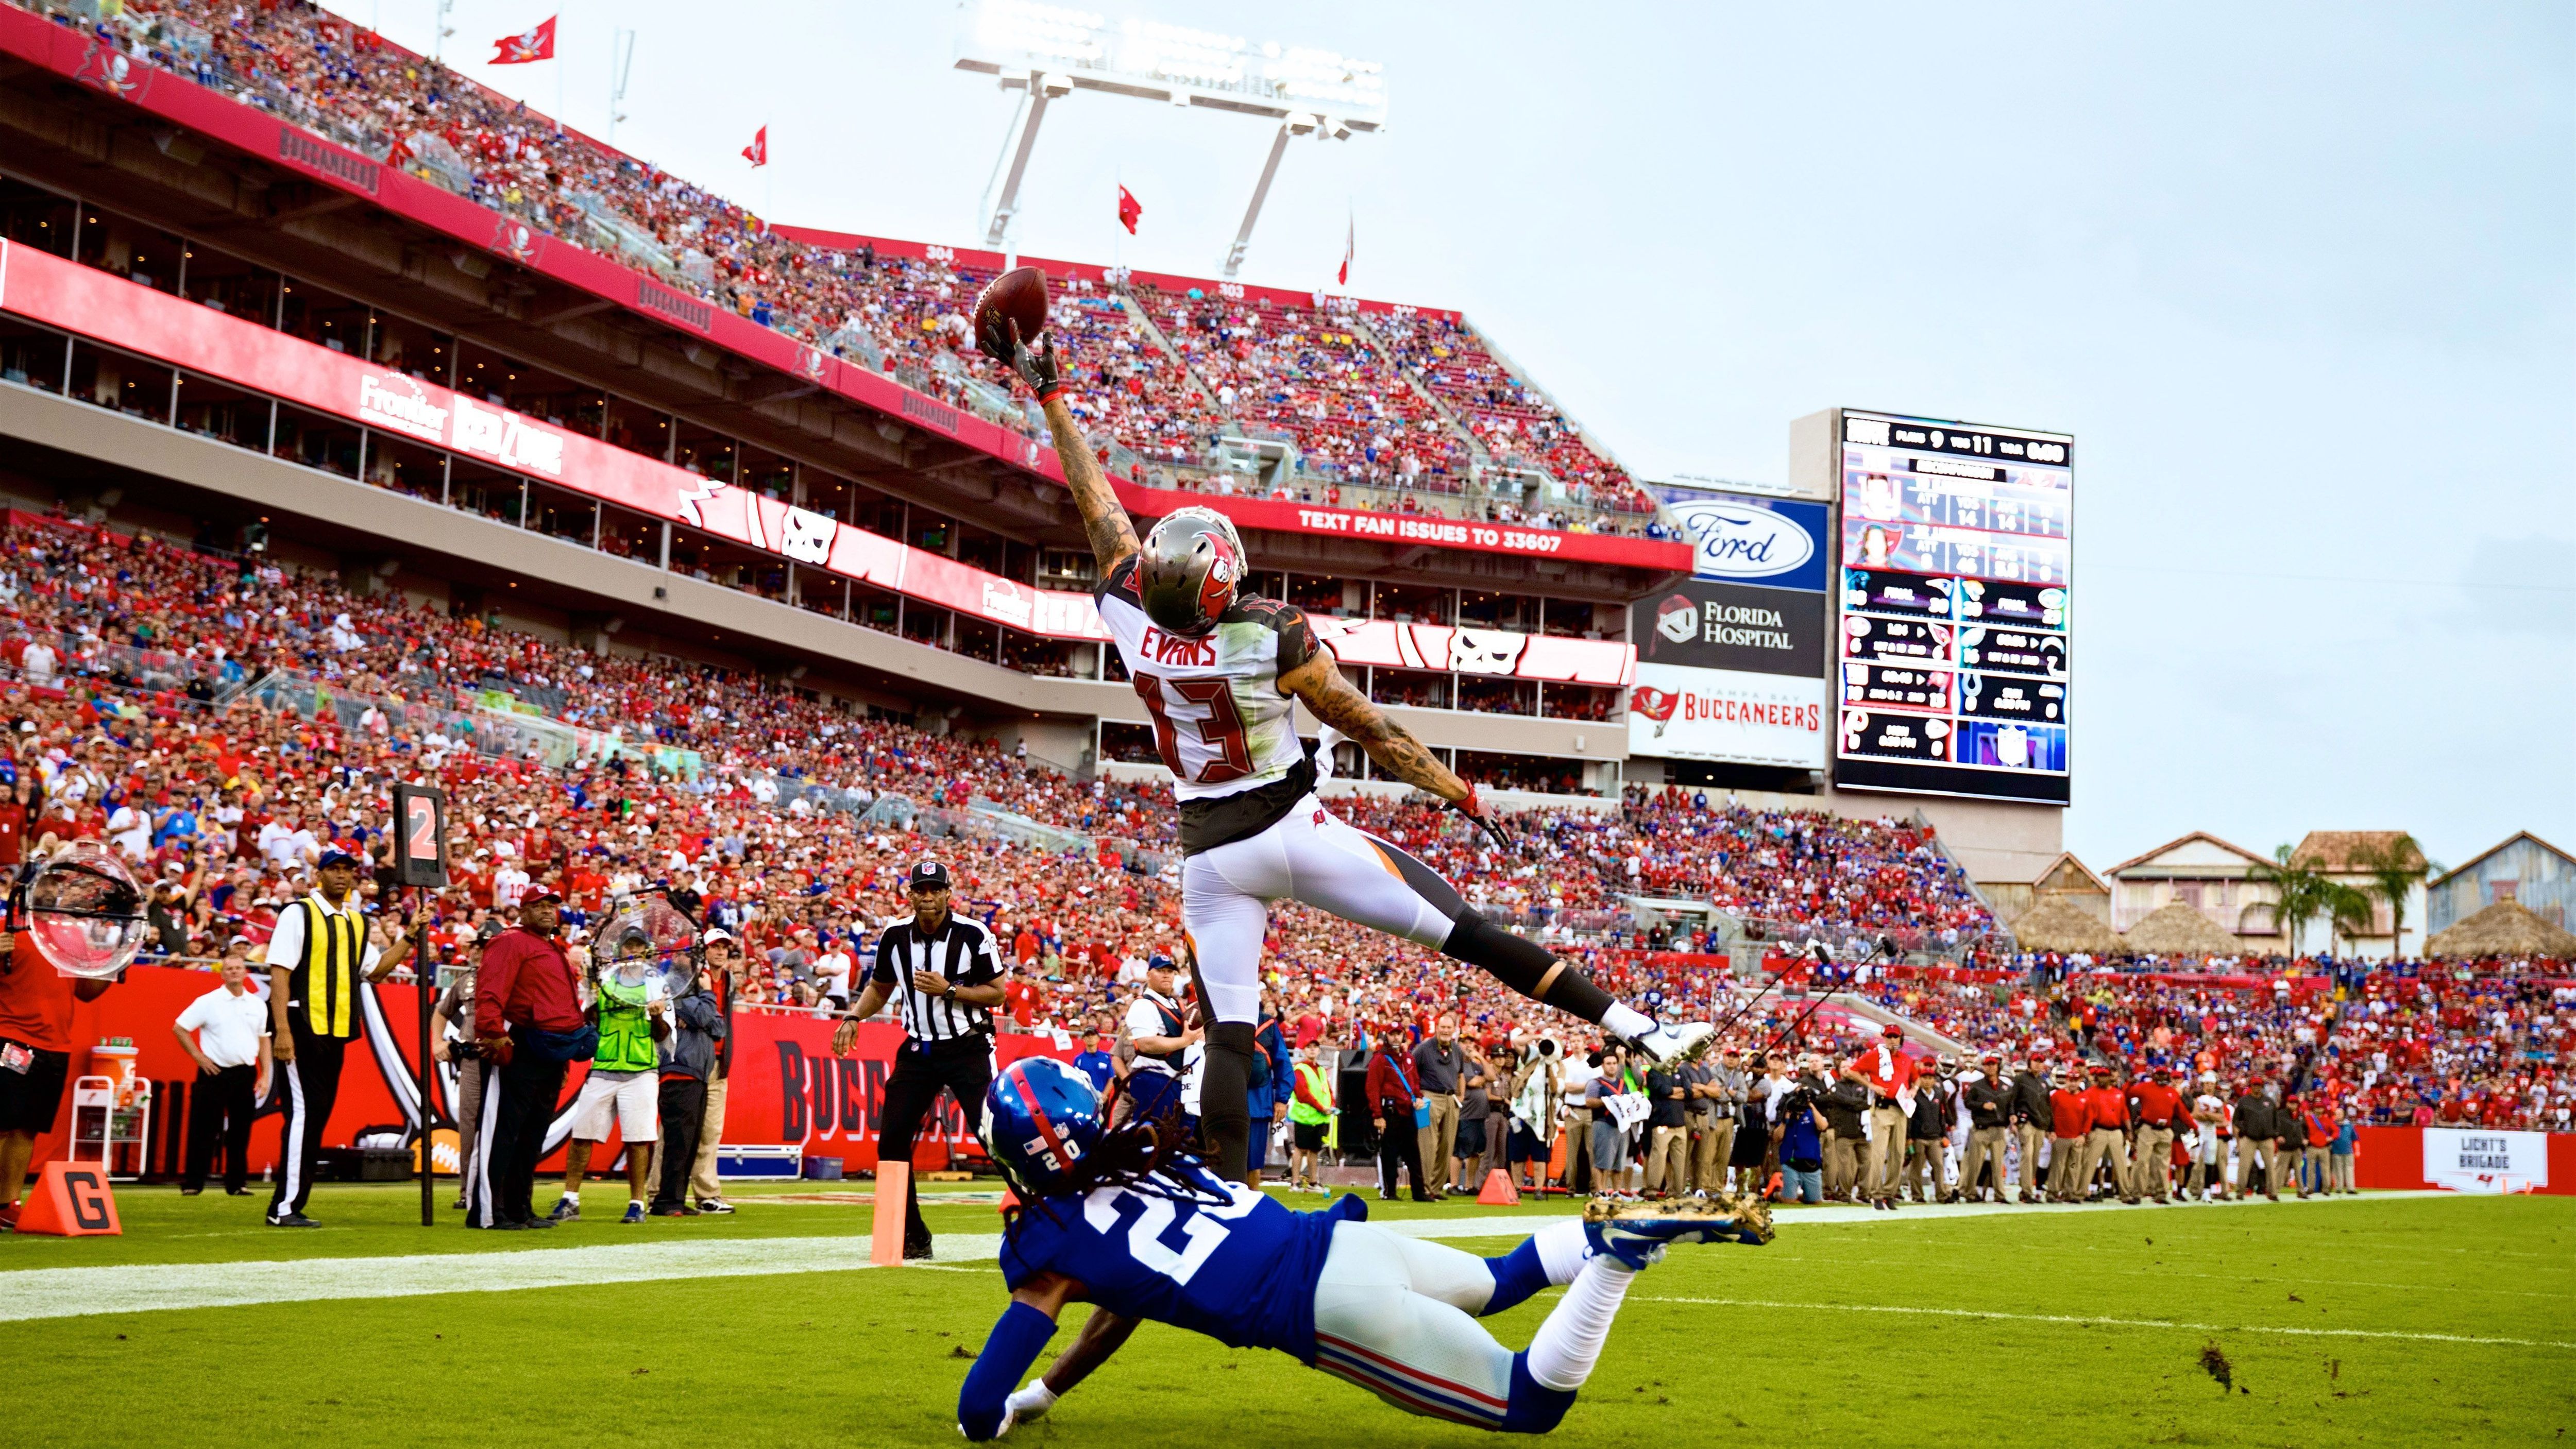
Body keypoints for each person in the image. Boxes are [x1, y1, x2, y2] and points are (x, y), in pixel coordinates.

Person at [986, 320, 1710, 1183]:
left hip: (1209, 856)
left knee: (1224, 1031)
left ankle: (1226, 1199)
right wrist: (1459, 791)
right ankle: (1641, 1027)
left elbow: (1097, 507)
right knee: (1469, 931)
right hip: (1295, 828)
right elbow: (1375, 730)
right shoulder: (1268, 634)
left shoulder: (1131, 621)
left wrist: (1050, 394)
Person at [953, 1057, 1770, 1441]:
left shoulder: (1053, 1243)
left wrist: (1004, 1410)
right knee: (1499, 1279)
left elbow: (975, 1408)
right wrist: (1050, 1393)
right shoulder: (1154, 1151)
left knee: (1530, 1405)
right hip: (1343, 1244)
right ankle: (1599, 1235)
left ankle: (1617, 1256)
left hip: (1328, 1308)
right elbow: (1127, 1303)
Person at [830, 859, 1006, 1260]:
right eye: (921, 890)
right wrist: (854, 1015)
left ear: (948, 893)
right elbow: (880, 986)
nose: (928, 897)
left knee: (994, 1137)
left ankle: (1036, 1222)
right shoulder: (895, 935)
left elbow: (998, 993)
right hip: (919, 1048)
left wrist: (950, 991)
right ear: (909, 895)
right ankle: (910, 1234)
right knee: (892, 1140)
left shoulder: (972, 933)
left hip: (968, 1046)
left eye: (935, 889)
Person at [264, 850, 420, 1227]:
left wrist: (410, 938)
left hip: (335, 1030)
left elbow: (377, 970)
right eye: (334, 869)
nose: (341, 876)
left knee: (315, 1116)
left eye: (347, 870)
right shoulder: (298, 913)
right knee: (303, 1115)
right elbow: (280, 972)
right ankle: (284, 1206)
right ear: (320, 874)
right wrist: (282, 1029)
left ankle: (291, 1202)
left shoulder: (355, 922)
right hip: (302, 1024)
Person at [470, 888, 586, 1230]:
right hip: (518, 1040)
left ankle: (520, 1206)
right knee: (504, 1130)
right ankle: (489, 1211)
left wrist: (563, 1060)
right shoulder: (510, 941)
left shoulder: (551, 947)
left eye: (552, 905)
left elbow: (561, 1010)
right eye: (540, 905)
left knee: (532, 1133)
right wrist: (493, 1033)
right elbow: (490, 989)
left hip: (548, 1049)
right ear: (524, 909)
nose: (549, 911)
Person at [552, 945, 671, 1225]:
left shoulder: (657, 986)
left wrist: (656, 1015)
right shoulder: (603, 982)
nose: (633, 951)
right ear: (620, 950)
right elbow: (587, 1022)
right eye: (628, 946)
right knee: (582, 1134)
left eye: (638, 946)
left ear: (646, 951)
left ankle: (637, 1204)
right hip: (604, 1067)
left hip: (641, 1070)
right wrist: (591, 998)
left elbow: (664, 1035)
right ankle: (570, 1199)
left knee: (638, 1140)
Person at [172, 952, 270, 1196]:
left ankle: (237, 1184)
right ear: (222, 973)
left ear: (246, 972)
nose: (235, 972)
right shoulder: (209, 1001)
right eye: (229, 969)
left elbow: (264, 1040)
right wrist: (198, 1057)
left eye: (238, 968)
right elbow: (180, 1028)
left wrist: (266, 1074)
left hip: (245, 1073)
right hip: (214, 1072)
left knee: (240, 1132)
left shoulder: (257, 1005)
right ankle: (194, 1183)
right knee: (204, 1130)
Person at [651, 947, 726, 1217]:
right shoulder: (674, 986)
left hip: (696, 1071)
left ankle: (675, 1198)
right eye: (685, 956)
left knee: (690, 1139)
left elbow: (719, 1028)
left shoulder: (691, 992)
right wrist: (707, 995)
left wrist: (700, 1017)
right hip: (679, 1068)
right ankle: (666, 1201)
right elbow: (708, 1018)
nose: (690, 960)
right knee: (678, 1139)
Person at [688, 930, 745, 1214]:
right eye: (715, 947)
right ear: (705, 951)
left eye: (725, 948)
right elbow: (698, 1018)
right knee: (678, 1129)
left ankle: (707, 1194)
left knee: (711, 1131)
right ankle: (661, 1191)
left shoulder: (730, 980)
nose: (721, 952)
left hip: (720, 1061)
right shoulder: (691, 977)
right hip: (692, 1060)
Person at [1119, 954, 1200, 1130]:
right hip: (1155, 1078)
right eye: (1161, 971)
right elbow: (1146, 1044)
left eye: (1170, 972)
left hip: (1180, 1081)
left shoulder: (1177, 1004)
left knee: (1181, 1137)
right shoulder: (1143, 1005)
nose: (1166, 975)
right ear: (1149, 975)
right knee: (1155, 1138)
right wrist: (1186, 1040)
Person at [1849, 1024, 1914, 1211]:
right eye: (1889, 1037)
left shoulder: (1906, 1059)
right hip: (1882, 1109)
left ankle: (1890, 1193)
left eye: (1895, 1037)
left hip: (1901, 1110)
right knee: (1878, 1153)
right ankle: (1876, 1194)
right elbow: (1852, 1072)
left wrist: (1914, 1089)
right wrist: (1872, 1086)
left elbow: (1915, 1077)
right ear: (1883, 1038)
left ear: (1901, 1039)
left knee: (1898, 1154)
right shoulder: (1874, 1056)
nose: (1892, 1040)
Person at [1368, 1028, 1434, 1202]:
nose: (1396, 1037)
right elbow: (1373, 1088)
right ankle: (1390, 1192)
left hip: (1409, 1110)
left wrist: (1419, 1097)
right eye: (1392, 1034)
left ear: (1404, 1036)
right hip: (1391, 1111)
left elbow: (1415, 1082)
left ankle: (1419, 1192)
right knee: (1389, 1153)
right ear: (1386, 1036)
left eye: (1398, 1034)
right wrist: (1378, 1115)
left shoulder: (1409, 1058)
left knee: (1413, 1153)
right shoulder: (1380, 1059)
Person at [1413, 1013, 1466, 1196]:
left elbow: (1460, 1074)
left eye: (1449, 1028)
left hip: (1451, 1098)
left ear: (1454, 1030)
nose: (1445, 1031)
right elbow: (1412, 1073)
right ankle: (1424, 1187)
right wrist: (1417, 1097)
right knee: (1428, 1144)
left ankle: (1435, 1188)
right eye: (1442, 1027)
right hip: (1429, 1096)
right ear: (1437, 1027)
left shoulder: (1457, 1050)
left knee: (1447, 1144)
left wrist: (1461, 1096)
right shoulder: (1423, 1049)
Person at [2078, 1062, 2139, 1205]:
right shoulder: (2090, 1093)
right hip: (2098, 1130)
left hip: (2116, 1131)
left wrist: (2129, 1131)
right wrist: (2085, 1133)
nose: (2103, 1079)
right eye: (2100, 1076)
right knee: (2089, 1163)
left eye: (2105, 1076)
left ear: (2110, 1078)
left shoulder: (2118, 1094)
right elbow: (2084, 1114)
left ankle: (2126, 1194)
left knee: (2121, 1164)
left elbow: (2125, 1114)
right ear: (2097, 1078)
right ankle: (2080, 1193)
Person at [2127, 1063, 2185, 1204]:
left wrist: (2194, 1127)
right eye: (2159, 1074)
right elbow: (2128, 1094)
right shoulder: (2146, 1087)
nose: (2161, 1076)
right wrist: (2128, 1084)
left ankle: (2161, 1194)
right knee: (2141, 1162)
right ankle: (2137, 1193)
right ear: (2154, 1075)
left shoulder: (2172, 1092)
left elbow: (2182, 1112)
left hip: (2166, 1130)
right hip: (2148, 1129)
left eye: (2163, 1074)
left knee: (2163, 1165)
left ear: (2167, 1075)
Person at [1959, 1053, 2011, 1203]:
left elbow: (2010, 1105)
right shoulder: (1977, 1085)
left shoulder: (2005, 1086)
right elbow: (1968, 1103)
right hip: (1981, 1128)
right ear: (1984, 1067)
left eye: (1993, 1064)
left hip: (1999, 1128)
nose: (1990, 1067)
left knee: (1998, 1164)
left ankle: (2000, 1195)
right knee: (1975, 1163)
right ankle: (1970, 1193)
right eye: (1988, 1065)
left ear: (1997, 1066)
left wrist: (2011, 1117)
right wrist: (1982, 1106)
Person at [1288, 1042, 1335, 1194]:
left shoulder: (1321, 1069)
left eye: (1315, 1047)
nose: (1312, 1049)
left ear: (1320, 1050)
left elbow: (1328, 1090)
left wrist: (1332, 1104)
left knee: (1314, 1149)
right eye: (1309, 1047)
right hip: (1306, 1116)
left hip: (1319, 1117)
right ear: (1303, 1050)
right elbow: (1303, 1094)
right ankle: (1295, 1182)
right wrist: (1322, 1108)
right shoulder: (1300, 1068)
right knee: (1300, 1149)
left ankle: (1313, 1182)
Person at [2008, 1053, 2055, 1205]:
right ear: (2030, 1063)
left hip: (2041, 1124)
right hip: (2026, 1121)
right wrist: (2012, 1116)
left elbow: (2048, 1108)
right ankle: (2026, 1192)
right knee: (2027, 1156)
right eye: (2036, 1061)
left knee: (2035, 1158)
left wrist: (2051, 1128)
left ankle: (2028, 1190)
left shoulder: (2044, 1083)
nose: (2038, 1064)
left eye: (2041, 1062)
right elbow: (2012, 1099)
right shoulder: (2020, 1079)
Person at [2047, 1066, 2091, 1203]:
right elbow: (2049, 1115)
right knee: (2057, 1168)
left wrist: (2083, 1135)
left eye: (2076, 1081)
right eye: (2071, 1080)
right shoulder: (2057, 1096)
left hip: (2076, 1138)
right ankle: (2052, 1193)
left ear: (2080, 1082)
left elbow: (2088, 1118)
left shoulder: (2084, 1098)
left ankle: (2070, 1193)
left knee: (2074, 1167)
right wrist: (2051, 1131)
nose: (2073, 1083)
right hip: (2060, 1137)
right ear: (2066, 1081)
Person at [2233, 1078, 2278, 1202]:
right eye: (2255, 1085)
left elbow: (2276, 1120)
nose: (2257, 1087)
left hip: (2266, 1138)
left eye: (2259, 1085)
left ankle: (2273, 1193)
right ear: (2251, 1086)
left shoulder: (2269, 1102)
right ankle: (2240, 1192)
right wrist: (2243, 1131)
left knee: (2270, 1167)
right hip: (2249, 1137)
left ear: (2262, 1086)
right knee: (2244, 1166)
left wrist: (2274, 1133)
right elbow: (2236, 1120)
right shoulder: (2244, 1101)